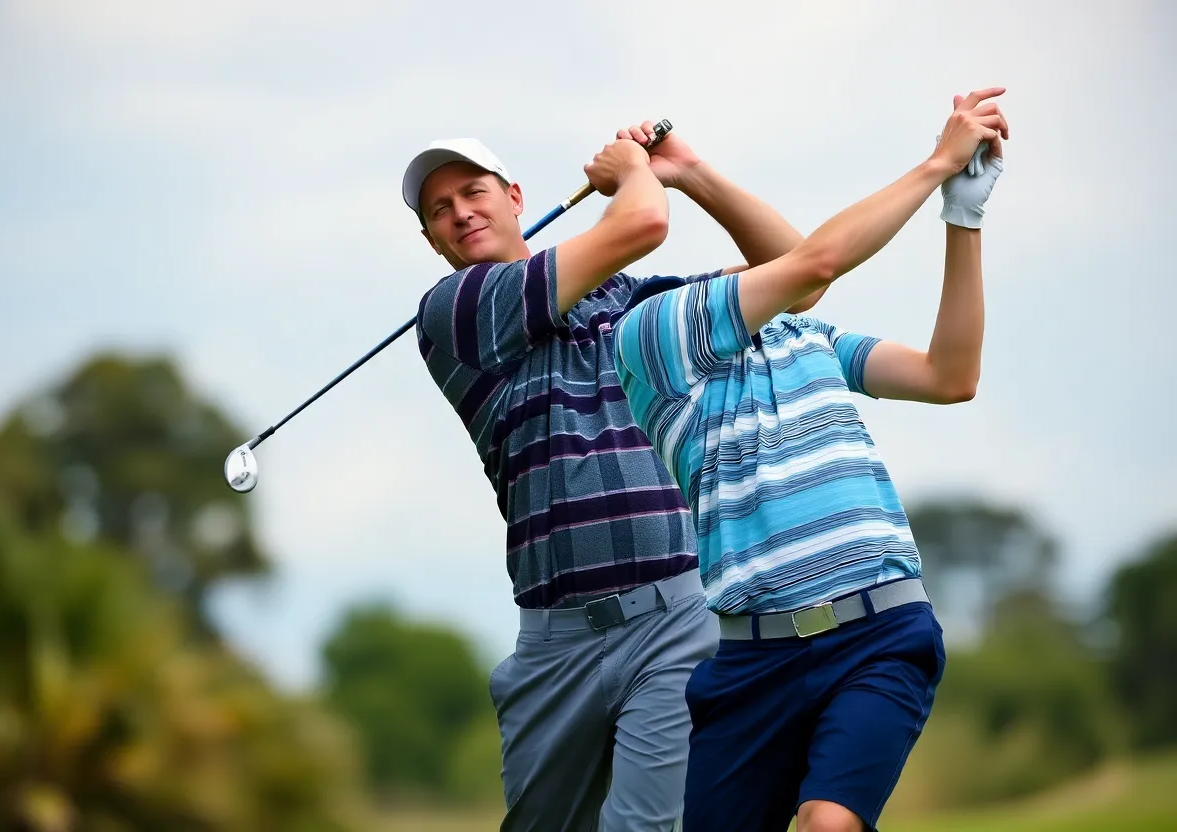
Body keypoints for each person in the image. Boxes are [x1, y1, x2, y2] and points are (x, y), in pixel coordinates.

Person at [402, 120, 823, 830]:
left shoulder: (629, 303)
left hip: (675, 619)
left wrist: (691, 173)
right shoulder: (456, 313)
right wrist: (633, 169)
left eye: (472, 192)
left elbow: (802, 274)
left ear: (514, 198)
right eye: (439, 210)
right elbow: (641, 223)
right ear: (433, 241)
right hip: (554, 642)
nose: (460, 212)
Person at [612, 89, 1009, 832]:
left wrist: (964, 218)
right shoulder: (651, 339)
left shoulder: (807, 338)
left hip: (878, 632)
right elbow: (814, 259)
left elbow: (948, 376)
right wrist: (933, 166)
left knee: (830, 823)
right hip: (752, 665)